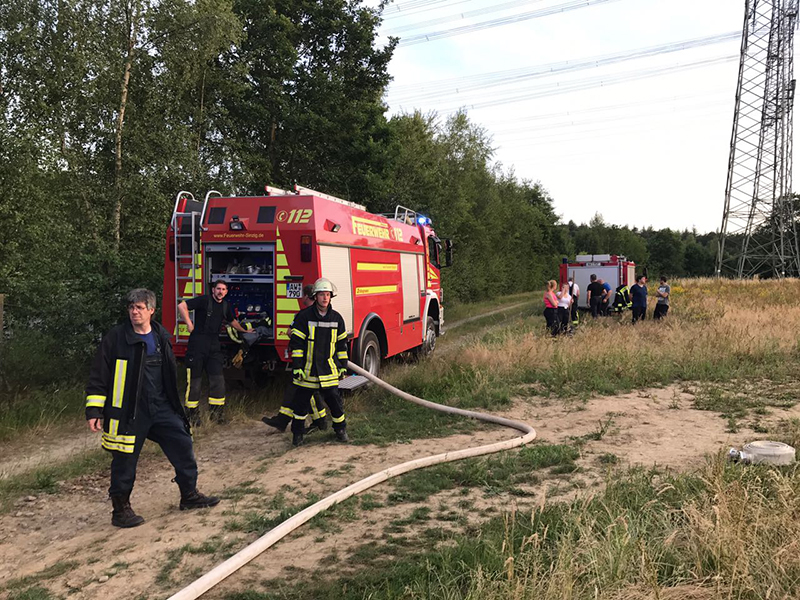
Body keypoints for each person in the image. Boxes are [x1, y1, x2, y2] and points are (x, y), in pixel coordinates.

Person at [85, 289, 219, 528]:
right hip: (129, 411)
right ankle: (121, 511)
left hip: (161, 407)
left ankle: (189, 495)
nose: (134, 312)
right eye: (131, 308)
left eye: (139, 308)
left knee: (182, 442)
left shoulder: (160, 336)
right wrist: (94, 410)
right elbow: (99, 375)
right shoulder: (116, 338)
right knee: (124, 459)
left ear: (151, 311)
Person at [261, 278, 350, 447]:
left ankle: (341, 430)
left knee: (336, 404)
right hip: (307, 371)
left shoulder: (337, 318)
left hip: (328, 370)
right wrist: (297, 367)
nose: (325, 298)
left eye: (328, 295)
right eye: (322, 294)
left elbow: (341, 345)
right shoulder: (304, 317)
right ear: (315, 296)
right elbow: (297, 345)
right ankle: (298, 436)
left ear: (331, 297)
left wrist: (342, 366)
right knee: (300, 407)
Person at [177, 280, 248, 425]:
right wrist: (189, 323)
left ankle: (217, 415)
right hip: (197, 345)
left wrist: (244, 331)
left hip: (214, 346)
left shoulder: (225, 306)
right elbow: (182, 305)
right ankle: (191, 415)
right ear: (213, 290)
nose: (220, 291)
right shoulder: (204, 300)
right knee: (195, 383)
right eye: (218, 289)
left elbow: (232, 321)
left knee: (218, 381)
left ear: (226, 292)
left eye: (223, 289)